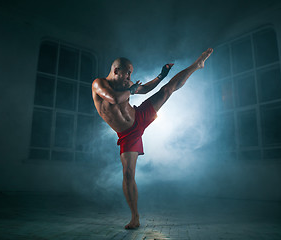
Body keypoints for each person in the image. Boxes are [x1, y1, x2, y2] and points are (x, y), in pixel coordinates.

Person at [91, 48, 213, 229]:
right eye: (127, 73)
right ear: (116, 70)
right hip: (127, 135)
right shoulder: (98, 84)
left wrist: (161, 75)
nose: (129, 77)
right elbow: (114, 99)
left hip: (139, 116)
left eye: (131, 74)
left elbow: (145, 88)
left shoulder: (127, 85)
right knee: (128, 173)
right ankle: (135, 217)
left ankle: (197, 65)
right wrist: (131, 90)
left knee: (167, 90)